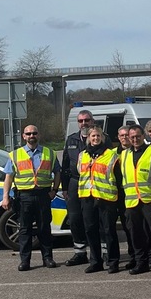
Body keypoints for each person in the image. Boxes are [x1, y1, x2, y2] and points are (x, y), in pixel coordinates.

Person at [2, 125, 61, 271]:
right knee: (25, 229)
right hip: (24, 196)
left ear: (38, 135)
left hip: (43, 195)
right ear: (23, 136)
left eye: (34, 133)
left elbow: (57, 172)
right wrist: (5, 197)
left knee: (44, 228)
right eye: (28, 134)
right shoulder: (15, 155)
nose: (31, 136)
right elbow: (9, 177)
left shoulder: (49, 153)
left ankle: (48, 258)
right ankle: (25, 261)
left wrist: (54, 190)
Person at [122, 125, 151, 276]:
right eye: (132, 137)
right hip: (131, 201)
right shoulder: (124, 155)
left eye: (138, 136)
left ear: (144, 136)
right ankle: (141, 263)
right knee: (136, 235)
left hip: (150, 199)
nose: (135, 139)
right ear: (128, 138)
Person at [77, 126, 122, 274]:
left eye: (98, 136)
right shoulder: (82, 155)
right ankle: (95, 262)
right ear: (88, 138)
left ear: (102, 137)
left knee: (109, 231)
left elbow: (117, 177)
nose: (95, 139)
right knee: (91, 231)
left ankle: (113, 261)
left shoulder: (111, 155)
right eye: (93, 136)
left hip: (106, 198)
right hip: (87, 197)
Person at [61, 110, 94, 266]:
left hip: (93, 183)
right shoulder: (71, 139)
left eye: (86, 120)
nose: (84, 123)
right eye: (80, 121)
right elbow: (65, 165)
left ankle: (99, 253)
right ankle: (80, 253)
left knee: (93, 219)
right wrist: (65, 187)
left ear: (92, 121)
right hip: (75, 182)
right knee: (74, 218)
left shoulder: (100, 138)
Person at [116, 126, 136, 269]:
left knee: (135, 227)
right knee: (127, 227)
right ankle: (133, 256)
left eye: (126, 135)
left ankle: (141, 256)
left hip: (134, 194)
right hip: (118, 195)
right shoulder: (112, 153)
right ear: (118, 137)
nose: (124, 138)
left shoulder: (135, 151)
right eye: (121, 135)